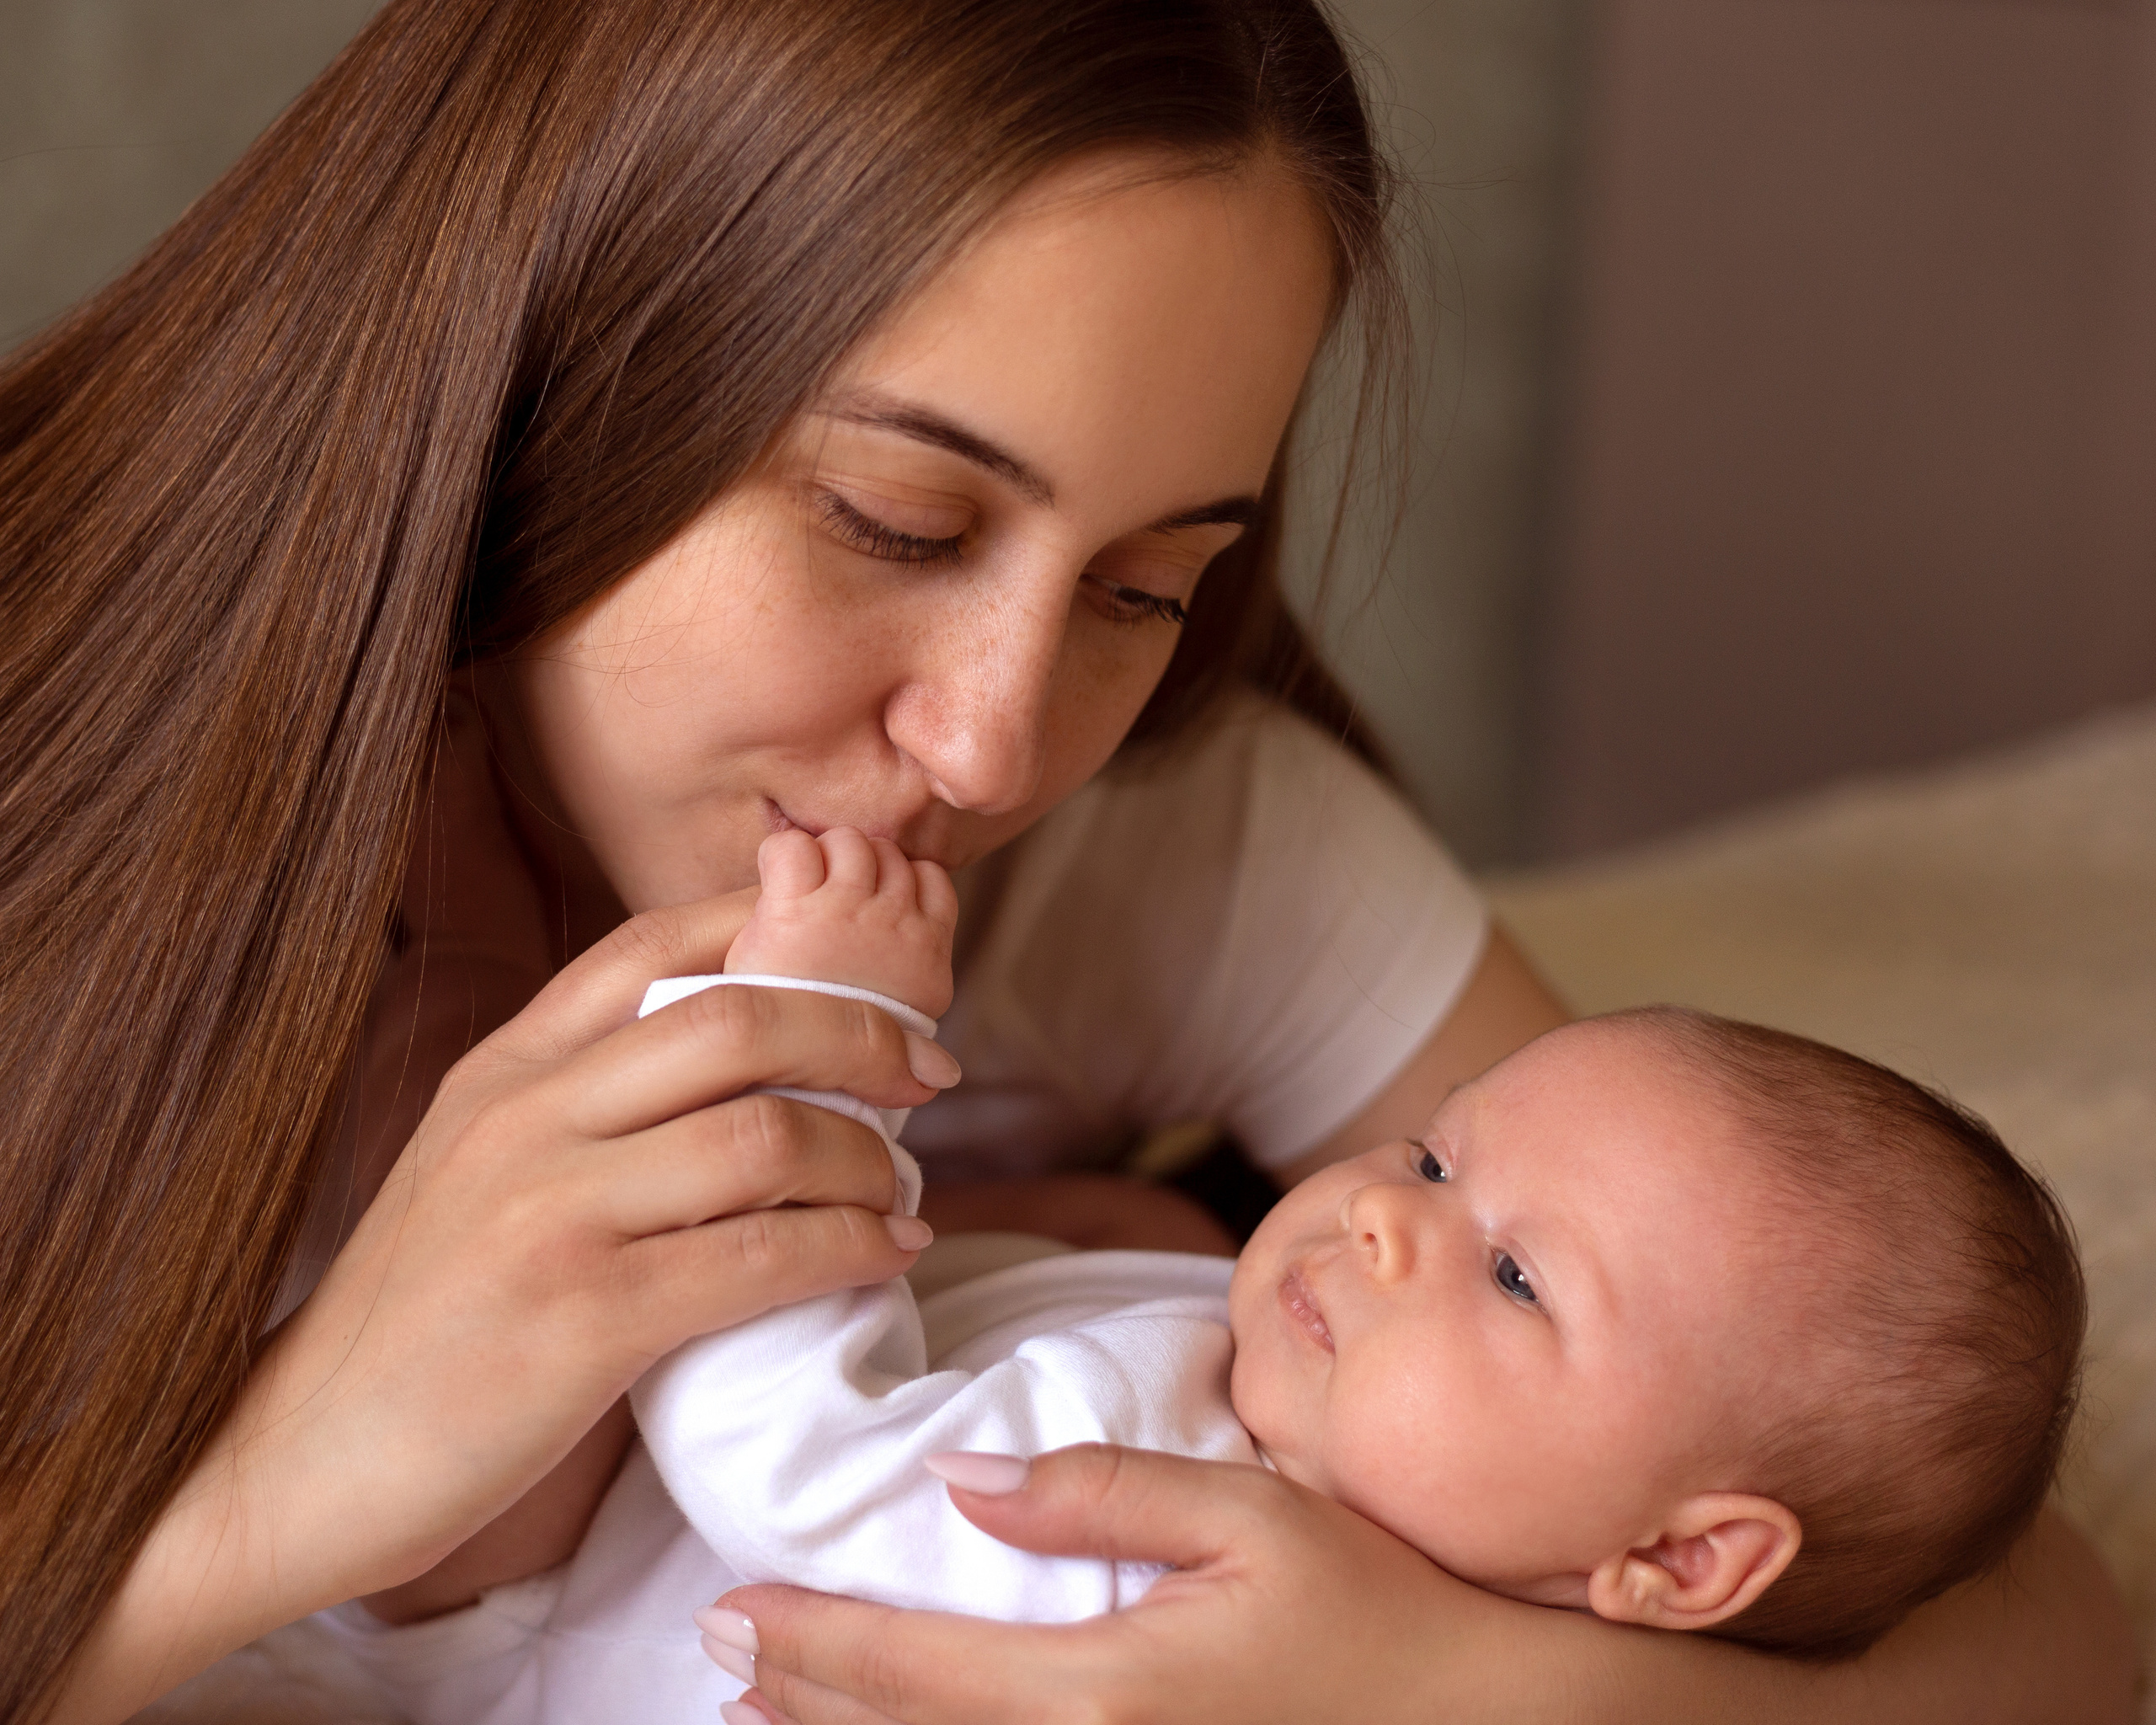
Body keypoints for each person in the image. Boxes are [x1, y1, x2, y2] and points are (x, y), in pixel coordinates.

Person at [0, 3, 2129, 1724]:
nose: (995, 748)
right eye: (900, 524)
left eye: (1140, 587)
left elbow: (2019, 1613)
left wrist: (1433, 1681)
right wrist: (279, 1487)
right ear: (539, 365)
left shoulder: (1171, 849)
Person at [313, 822, 2085, 1722]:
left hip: (538, 1654)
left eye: (1514, 1280)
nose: (1385, 1214)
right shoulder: (1337, 1495)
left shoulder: (1146, 1550)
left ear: (1684, 1558)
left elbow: (780, 1454)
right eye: (1433, 1155)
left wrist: (815, 1050)